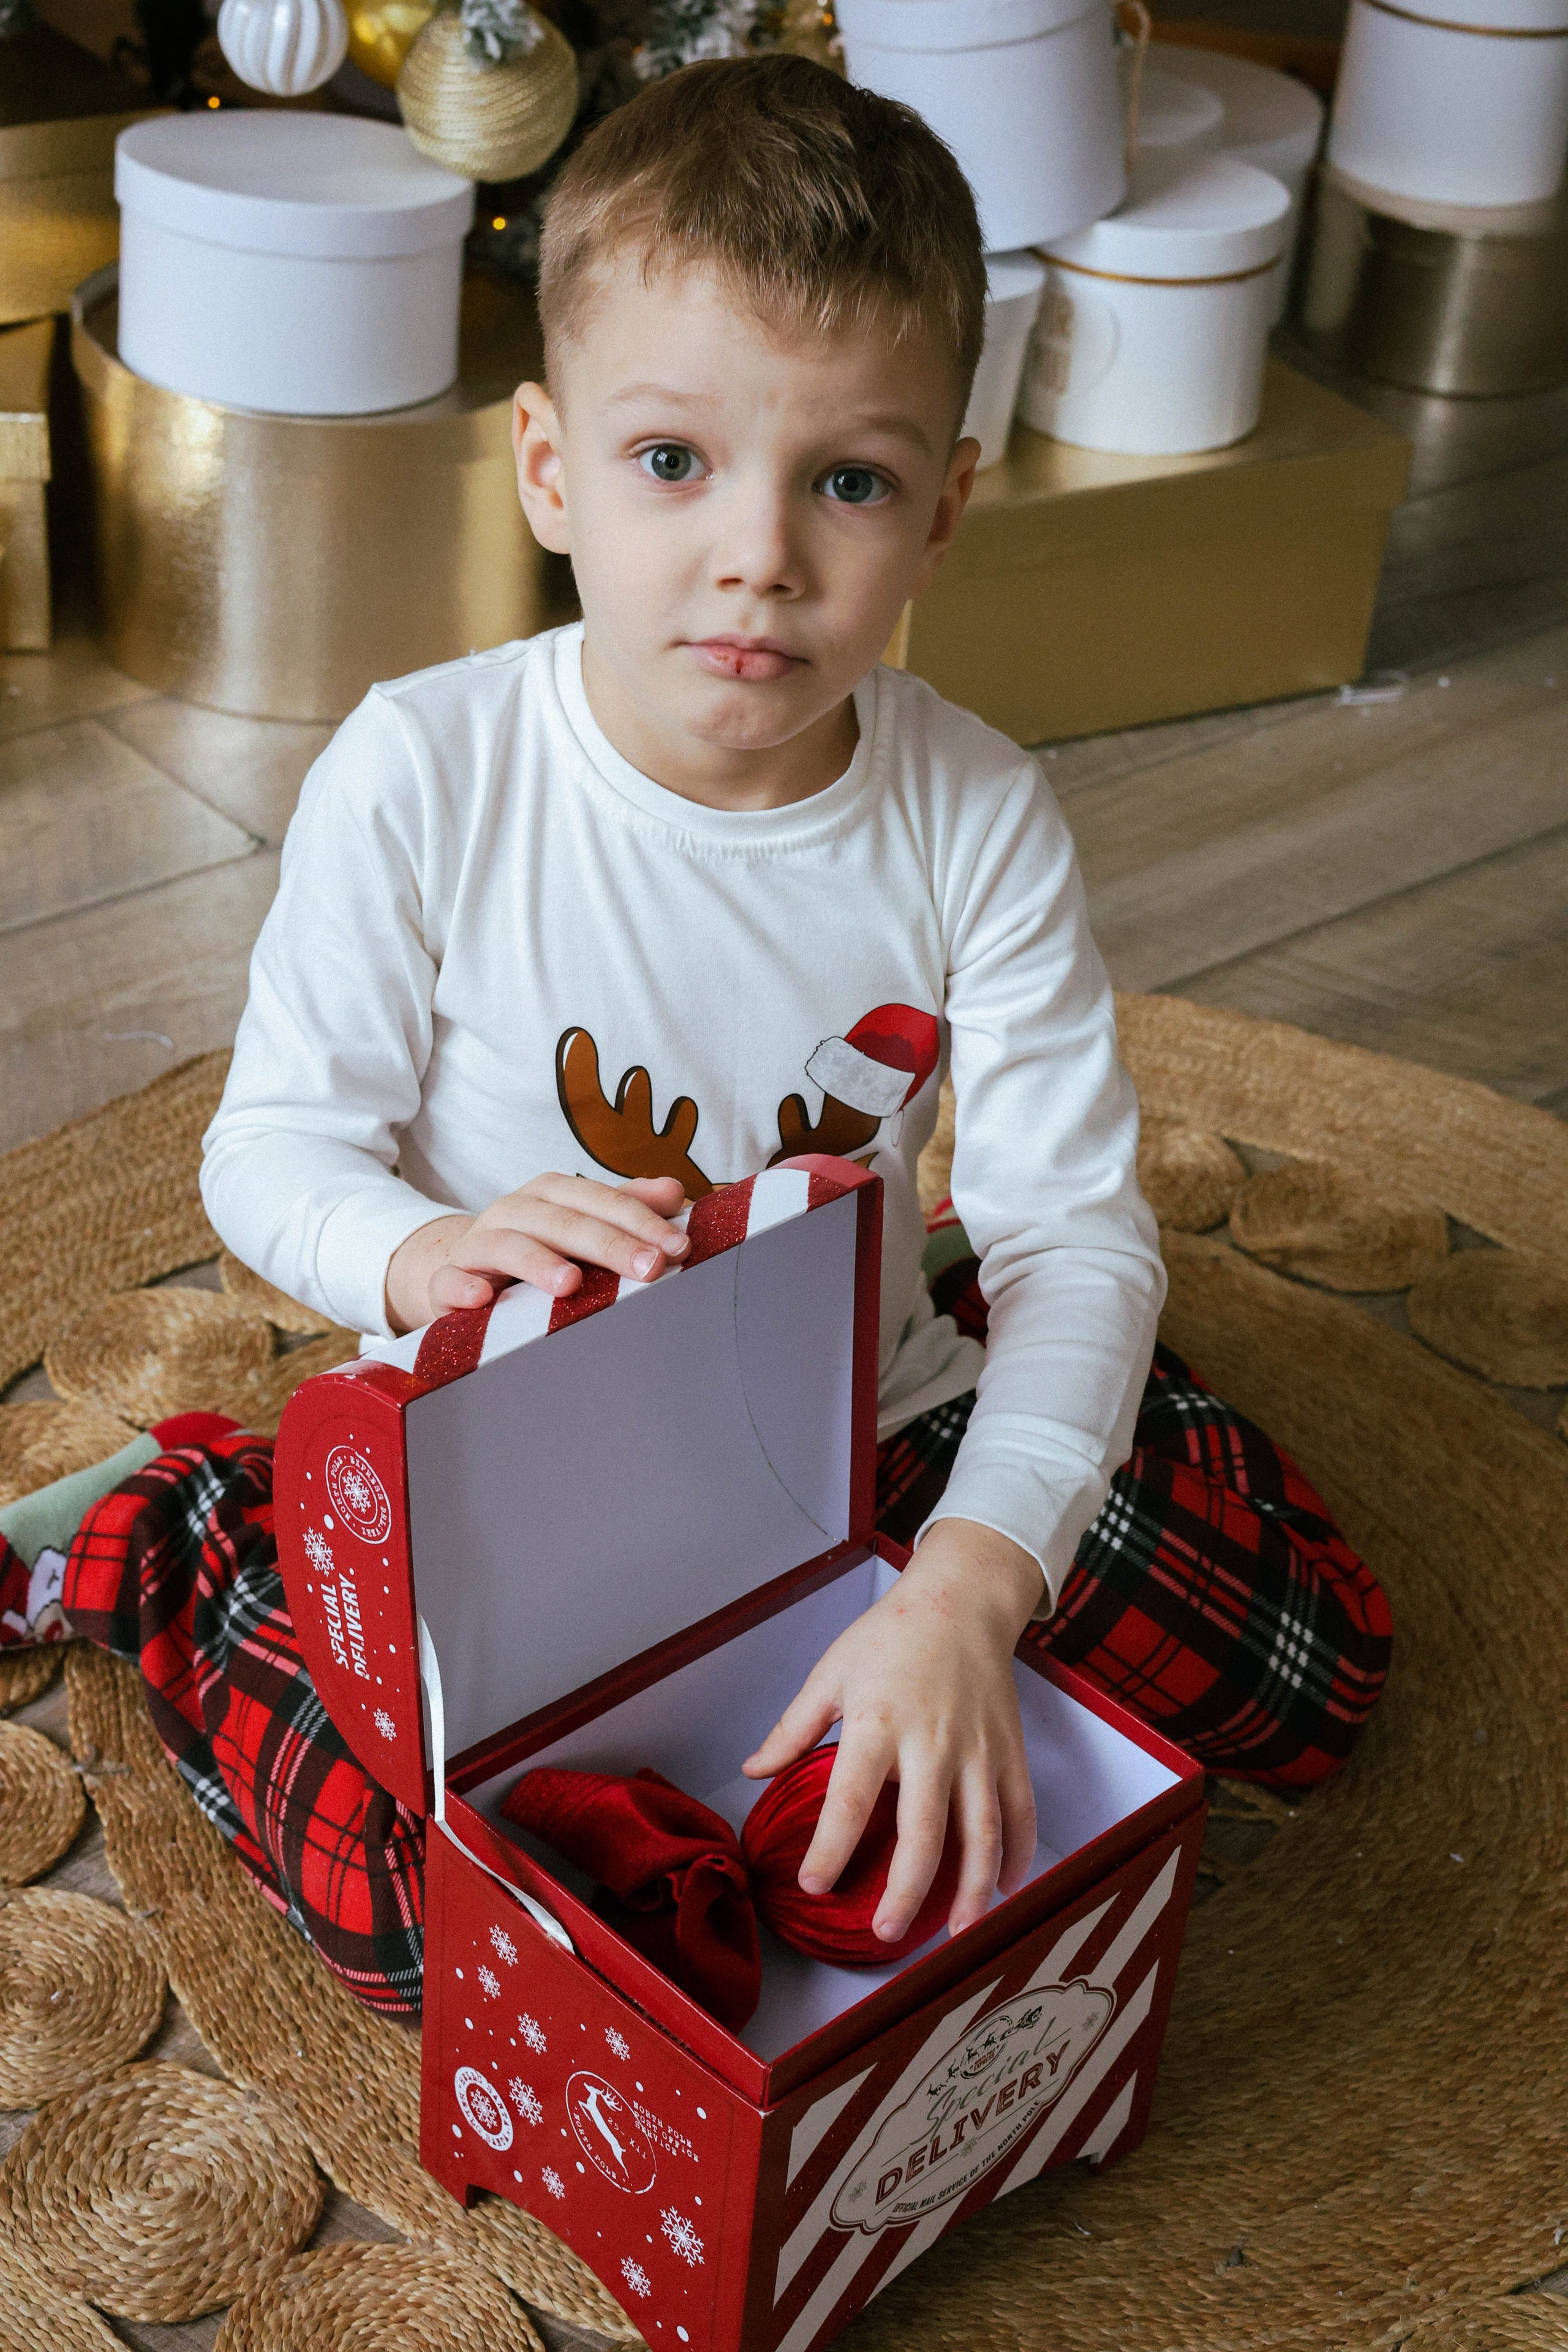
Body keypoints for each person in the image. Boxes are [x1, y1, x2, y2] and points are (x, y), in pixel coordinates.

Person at [4, 55, 1391, 2018]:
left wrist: (971, 1586)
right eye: (676, 464)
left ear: (945, 512)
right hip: (507, 1462)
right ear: (552, 467)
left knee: (1310, 1680)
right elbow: (267, 1154)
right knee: (448, 1938)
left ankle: (1012, 1472)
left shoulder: (974, 808)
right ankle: (185, 1529)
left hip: (856, 1427)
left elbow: (1073, 1223)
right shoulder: (426, 769)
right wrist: (412, 1253)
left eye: (848, 480)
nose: (758, 554)